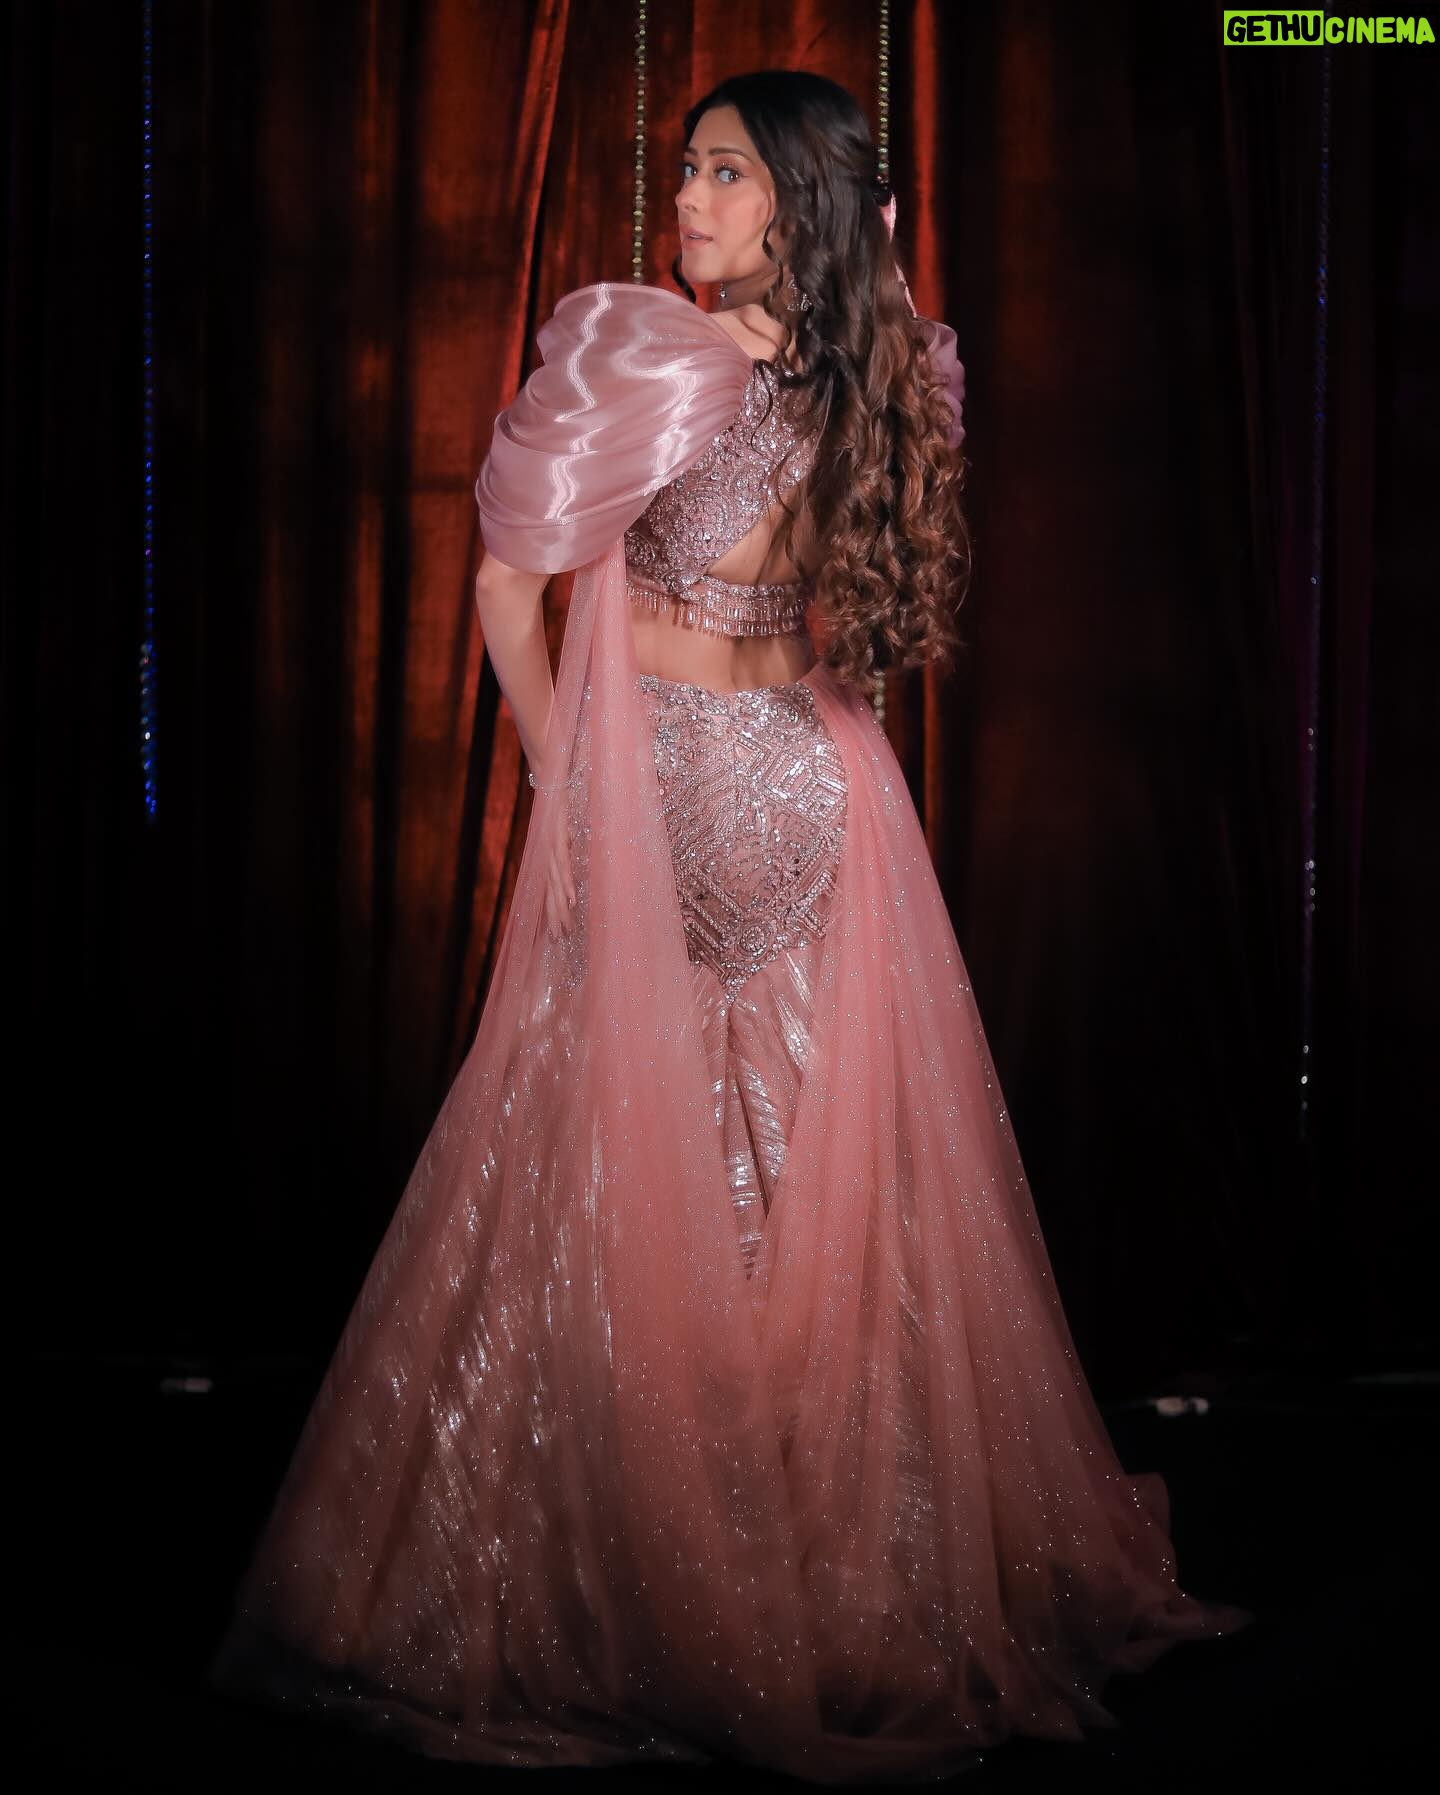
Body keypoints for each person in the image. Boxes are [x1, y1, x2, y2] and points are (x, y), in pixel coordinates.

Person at [207, 70, 1251, 1784]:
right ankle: (764, 1557)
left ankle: (709, 1570)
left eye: (724, 176)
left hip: (721, 785)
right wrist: (591, 781)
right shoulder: (839, 367)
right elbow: (803, 617)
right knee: (772, 1163)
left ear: (798, 206)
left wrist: (587, 771)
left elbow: (533, 591)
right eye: (686, 169)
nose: (687, 201)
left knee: (662, 1157)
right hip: (783, 784)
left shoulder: (708, 362)